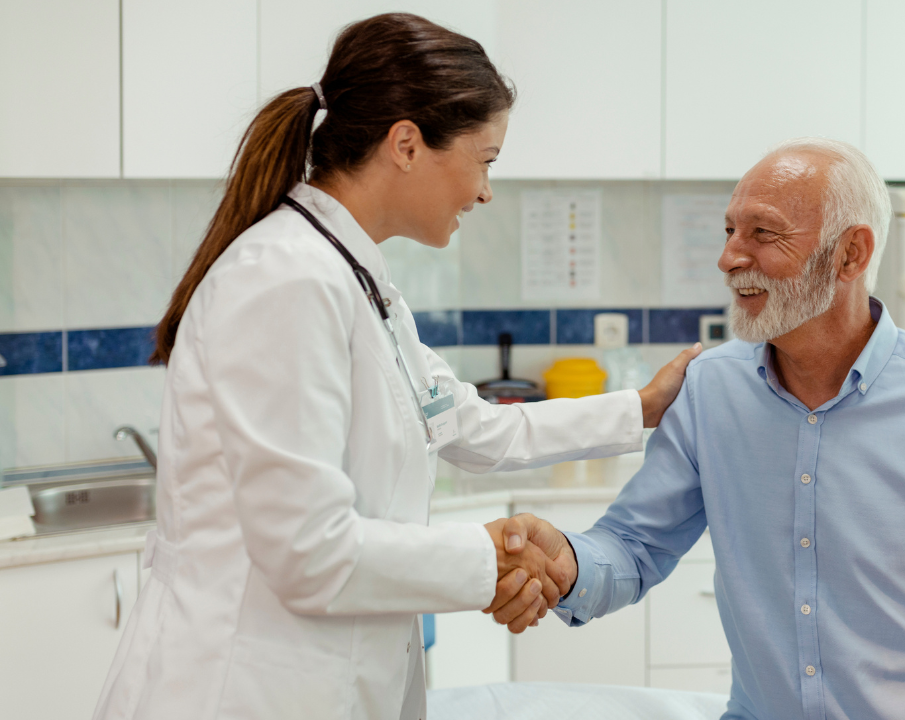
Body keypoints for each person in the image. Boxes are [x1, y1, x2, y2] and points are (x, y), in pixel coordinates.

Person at [91, 13, 698, 720]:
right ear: (406, 144)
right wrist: (491, 559)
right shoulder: (286, 279)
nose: (486, 191)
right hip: (241, 689)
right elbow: (310, 552)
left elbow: (467, 425)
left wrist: (644, 407)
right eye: (486, 159)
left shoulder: (353, 278)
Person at [504, 138, 905, 719]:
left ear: (850, 255)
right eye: (730, 231)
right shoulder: (709, 390)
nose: (730, 257)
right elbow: (634, 547)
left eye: (763, 233)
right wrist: (570, 563)